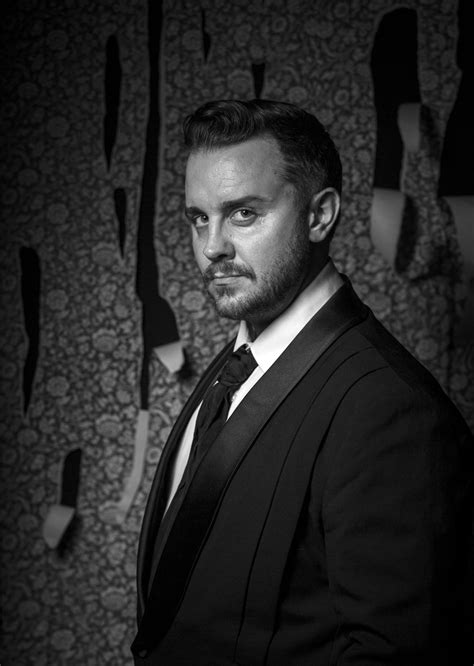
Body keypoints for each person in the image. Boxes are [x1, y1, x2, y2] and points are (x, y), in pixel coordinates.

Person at [131, 99, 473, 665]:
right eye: (199, 218)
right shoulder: (237, 362)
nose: (212, 246)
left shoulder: (388, 408)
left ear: (320, 216)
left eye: (243, 213)